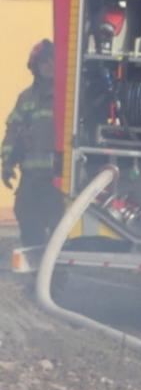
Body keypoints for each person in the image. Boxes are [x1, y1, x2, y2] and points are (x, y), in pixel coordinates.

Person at [5, 40, 62, 248]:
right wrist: (7, 163)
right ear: (34, 66)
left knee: (59, 226)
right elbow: (12, 130)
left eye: (52, 61)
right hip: (31, 177)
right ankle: (35, 269)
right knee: (25, 214)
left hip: (58, 179)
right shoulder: (26, 97)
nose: (48, 66)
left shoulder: (66, 97)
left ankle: (56, 274)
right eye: (43, 62)